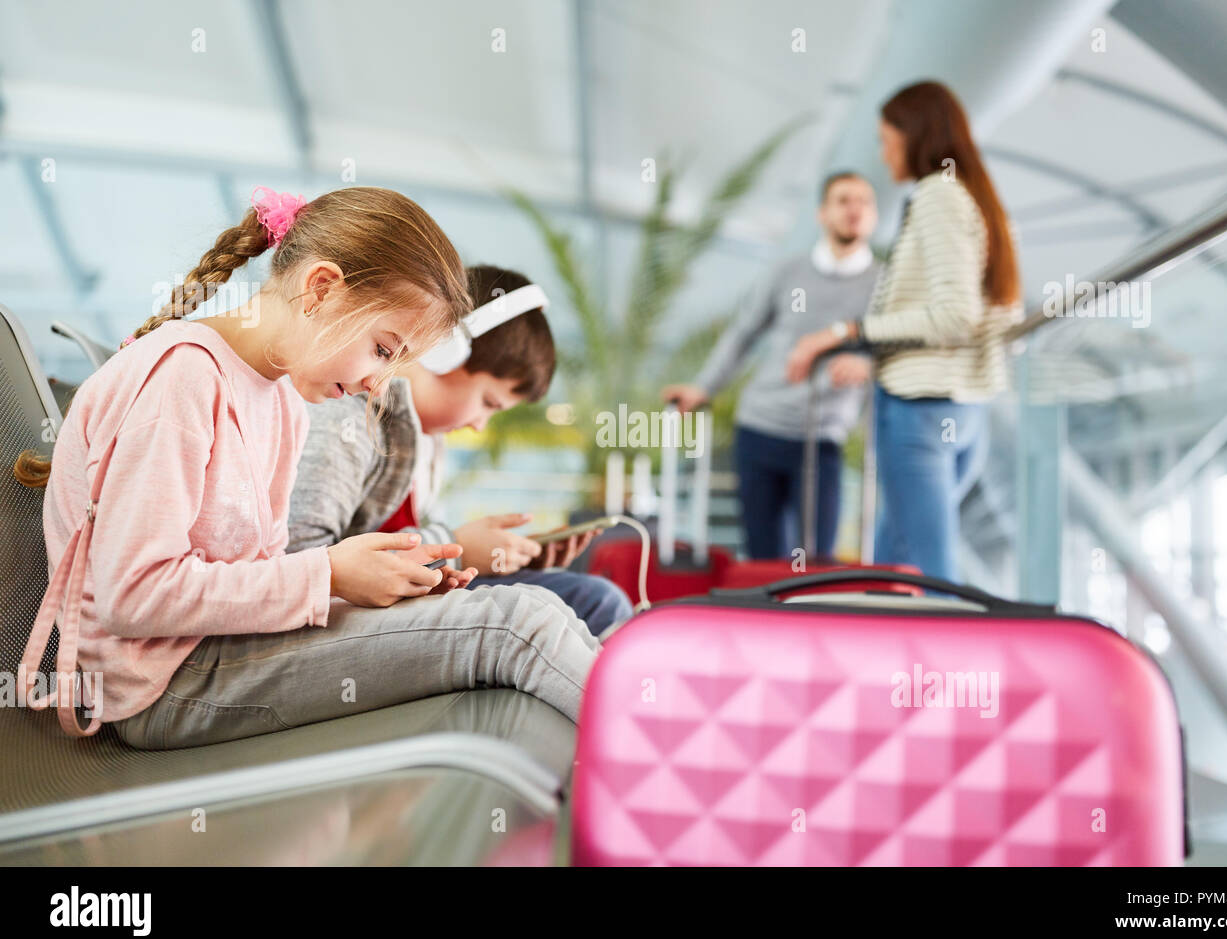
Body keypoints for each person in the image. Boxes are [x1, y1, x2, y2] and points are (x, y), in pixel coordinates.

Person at [14, 186, 605, 749]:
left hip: (219, 651)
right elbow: (133, 598)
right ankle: (656, 772)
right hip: (166, 686)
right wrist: (328, 576)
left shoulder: (282, 402)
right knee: (515, 627)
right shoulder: (180, 379)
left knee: (541, 611)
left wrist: (383, 585)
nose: (381, 382)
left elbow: (258, 583)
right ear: (320, 288)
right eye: (383, 348)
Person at [287, 263, 633, 637]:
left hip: (398, 599)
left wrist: (500, 557)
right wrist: (460, 547)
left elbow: (419, 547)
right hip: (344, 618)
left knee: (592, 599)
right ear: (444, 350)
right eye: (488, 401)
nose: (480, 424)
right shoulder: (346, 419)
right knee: (595, 602)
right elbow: (306, 567)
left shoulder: (424, 441)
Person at [786, 81, 1023, 582]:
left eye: (885, 137)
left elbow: (953, 315)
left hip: (918, 412)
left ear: (912, 134)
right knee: (891, 567)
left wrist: (847, 331)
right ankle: (897, 661)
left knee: (930, 578)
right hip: (962, 411)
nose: (883, 150)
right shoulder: (976, 198)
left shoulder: (938, 194)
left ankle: (952, 664)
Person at [662, 172, 880, 561]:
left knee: (816, 561)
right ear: (822, 213)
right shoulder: (787, 272)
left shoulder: (883, 284)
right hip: (760, 427)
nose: (855, 210)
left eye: (864, 202)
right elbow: (742, 335)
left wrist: (865, 360)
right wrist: (704, 387)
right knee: (762, 560)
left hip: (822, 437)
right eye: (844, 200)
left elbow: (894, 343)